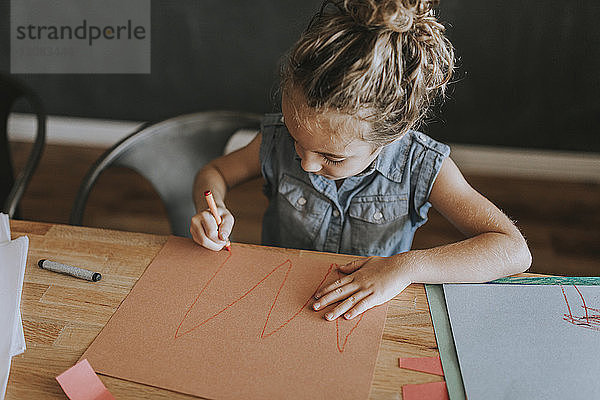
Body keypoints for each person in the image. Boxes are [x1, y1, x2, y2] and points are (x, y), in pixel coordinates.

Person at [190, 0, 531, 322]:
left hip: (367, 314)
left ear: (392, 137)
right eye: (297, 139)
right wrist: (211, 206)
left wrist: (404, 267)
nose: (306, 164)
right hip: (272, 297)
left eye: (331, 157)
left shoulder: (421, 165)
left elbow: (514, 251)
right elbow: (214, 172)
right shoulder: (275, 139)